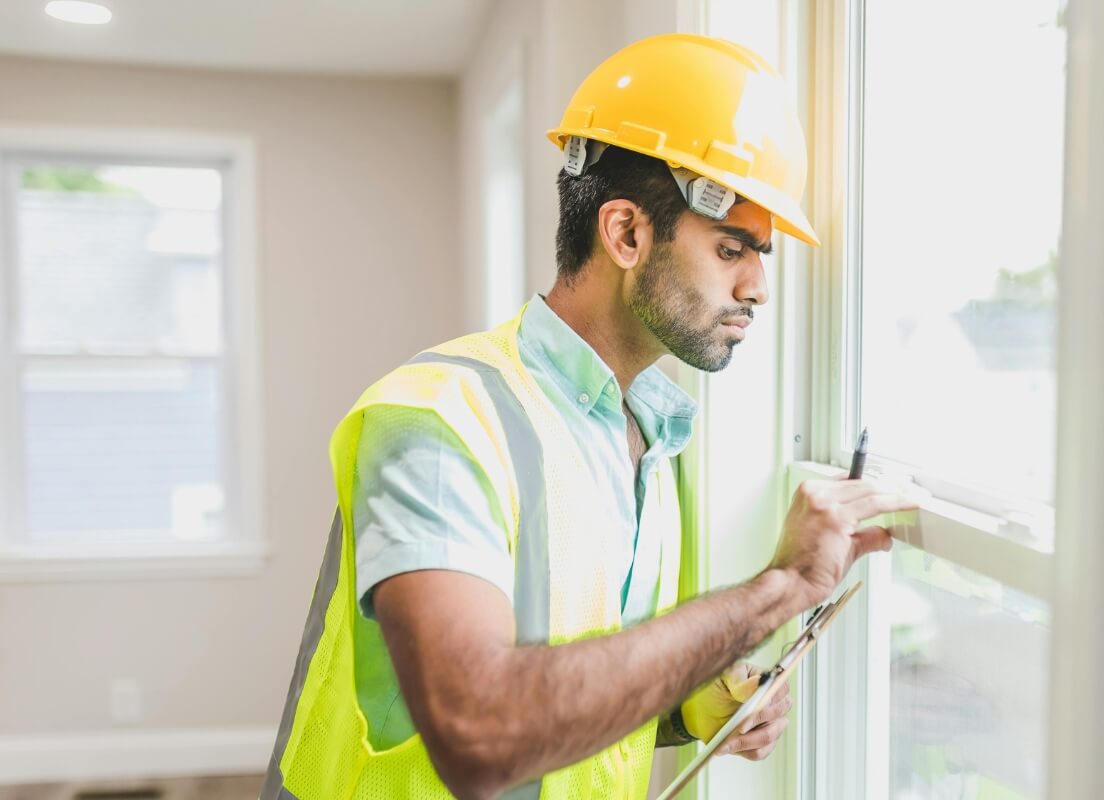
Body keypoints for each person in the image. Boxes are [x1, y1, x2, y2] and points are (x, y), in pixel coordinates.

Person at [262, 33, 916, 800]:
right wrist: (783, 586)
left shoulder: (651, 443)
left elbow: (575, 691)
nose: (758, 289)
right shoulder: (435, 422)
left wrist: (693, 708)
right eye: (734, 248)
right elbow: (481, 733)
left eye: (762, 256)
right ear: (627, 233)